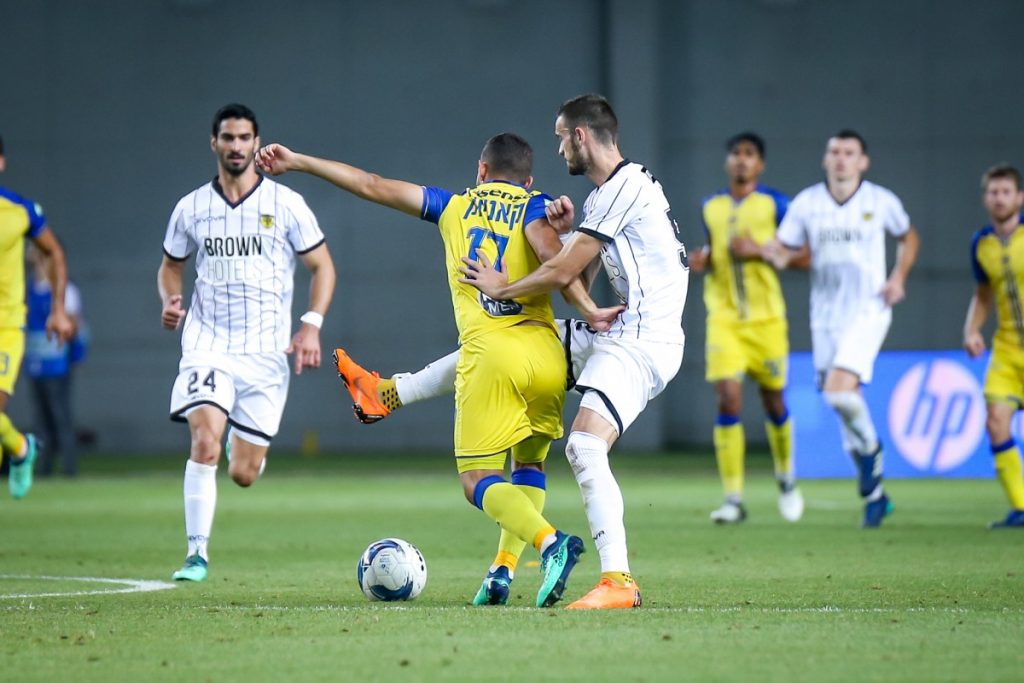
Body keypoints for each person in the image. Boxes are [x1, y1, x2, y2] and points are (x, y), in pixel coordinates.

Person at [255, 133, 615, 608]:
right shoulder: (537, 207)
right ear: (527, 180)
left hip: (493, 356)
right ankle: (501, 572)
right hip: (548, 356)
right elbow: (562, 268)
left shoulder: (453, 206)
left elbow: (371, 184)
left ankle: (552, 544)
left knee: (477, 480)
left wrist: (300, 161)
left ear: (481, 170)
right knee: (528, 466)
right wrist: (587, 302)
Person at [459, 94, 689, 609]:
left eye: (562, 137)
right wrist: (565, 237)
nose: (559, 147)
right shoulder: (610, 194)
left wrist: (504, 287)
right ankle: (393, 391)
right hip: (619, 330)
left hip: (643, 342)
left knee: (584, 446)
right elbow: (576, 275)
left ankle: (618, 581)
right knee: (509, 339)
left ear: (581, 136)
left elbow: (563, 273)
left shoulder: (624, 187)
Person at [158, 104, 336, 582]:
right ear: (214, 143)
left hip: (265, 354)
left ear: (256, 143)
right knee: (204, 443)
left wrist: (311, 324)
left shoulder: (286, 204)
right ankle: (196, 554)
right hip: (207, 345)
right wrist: (171, 299)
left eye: (243, 138)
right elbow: (171, 266)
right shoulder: (191, 208)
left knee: (243, 473)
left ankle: (246, 444)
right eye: (228, 138)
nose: (236, 146)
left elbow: (322, 266)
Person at [763, 129, 920, 528]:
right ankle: (876, 496)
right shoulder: (807, 203)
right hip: (825, 316)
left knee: (837, 392)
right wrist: (774, 254)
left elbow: (908, 236)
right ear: (825, 159)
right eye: (834, 151)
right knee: (844, 403)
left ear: (863, 162)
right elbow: (787, 251)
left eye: (849, 152)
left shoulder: (880, 201)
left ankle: (872, 451)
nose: (841, 158)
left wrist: (898, 277)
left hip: (869, 308)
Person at [688, 132, 805, 524]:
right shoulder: (711, 206)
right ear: (727, 162)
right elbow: (713, 250)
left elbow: (804, 254)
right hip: (724, 319)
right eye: (736, 153)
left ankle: (786, 477)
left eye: (749, 154)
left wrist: (762, 251)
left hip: (767, 320)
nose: (741, 159)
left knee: (774, 402)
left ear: (760, 164)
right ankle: (733, 498)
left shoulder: (777, 205)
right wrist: (703, 261)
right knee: (728, 398)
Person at [0, 134, 74, 499]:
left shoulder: (19, 211)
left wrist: (58, 309)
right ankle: (20, 447)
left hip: (6, 326)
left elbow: (54, 253)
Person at [963, 163, 1024, 529]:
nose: (999, 198)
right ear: (985, 198)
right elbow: (984, 293)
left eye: (1006, 192)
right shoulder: (981, 243)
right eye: (993, 192)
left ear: (1019, 197)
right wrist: (972, 329)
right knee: (996, 421)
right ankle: (1021, 506)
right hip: (1008, 348)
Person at [25, 244, 88, 477]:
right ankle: (44, 468)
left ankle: (69, 469)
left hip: (57, 362)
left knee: (61, 416)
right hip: (35, 362)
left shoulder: (64, 290)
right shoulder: (28, 288)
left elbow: (76, 325)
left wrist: (77, 353)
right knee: (41, 418)